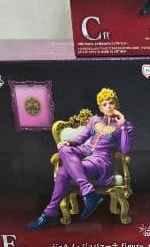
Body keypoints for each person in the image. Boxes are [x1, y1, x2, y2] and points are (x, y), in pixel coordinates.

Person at [27, 88, 133, 231]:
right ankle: (88, 192)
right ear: (100, 108)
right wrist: (68, 143)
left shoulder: (123, 126)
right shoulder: (94, 120)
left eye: (111, 103)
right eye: (105, 104)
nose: (108, 106)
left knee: (63, 172)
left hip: (100, 160)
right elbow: (80, 139)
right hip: (83, 152)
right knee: (64, 149)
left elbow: (125, 149)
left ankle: (49, 214)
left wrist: (123, 124)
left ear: (117, 105)